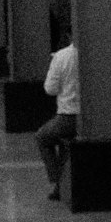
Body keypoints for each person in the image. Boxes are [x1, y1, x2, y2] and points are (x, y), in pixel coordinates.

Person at [35, 28, 79, 201]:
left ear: (69, 35)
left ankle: (58, 182)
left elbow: (50, 89)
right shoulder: (97, 55)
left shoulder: (61, 56)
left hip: (68, 117)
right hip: (92, 118)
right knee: (64, 143)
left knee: (42, 137)